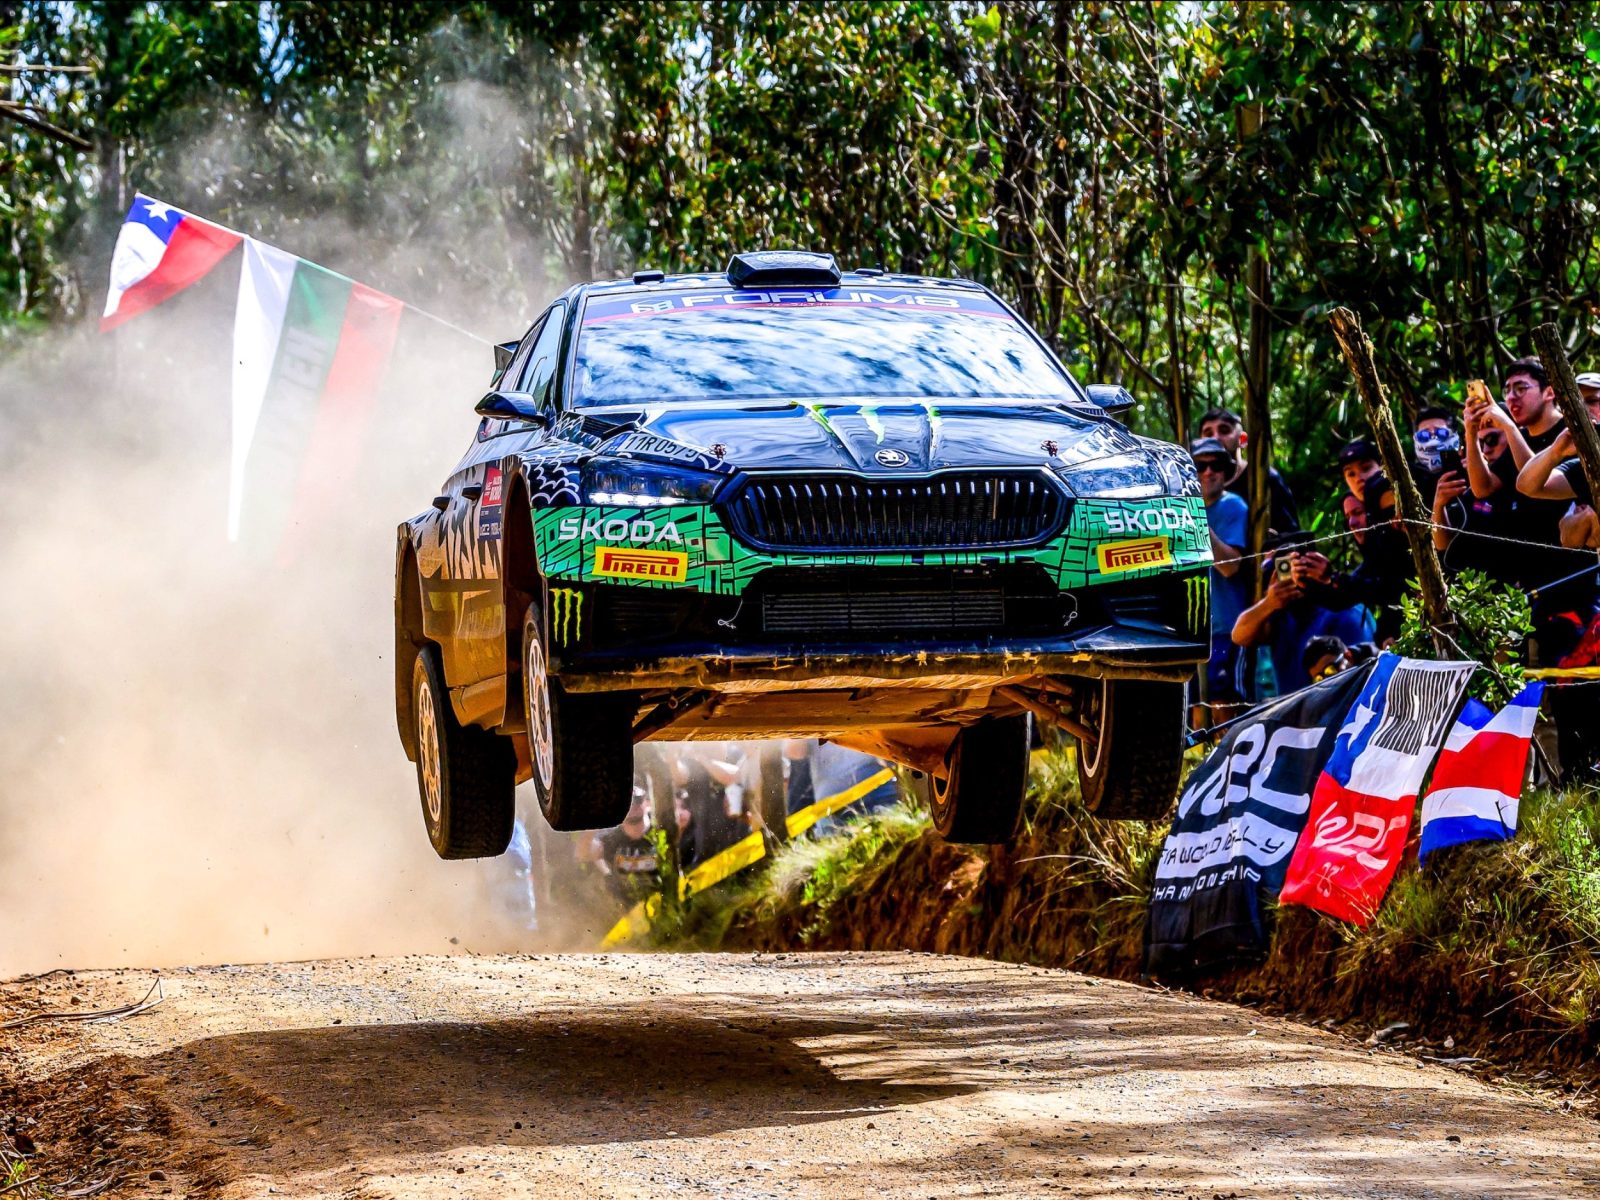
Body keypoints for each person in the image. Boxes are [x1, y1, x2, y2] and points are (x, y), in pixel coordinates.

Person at [1230, 538, 1375, 695]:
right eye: (1283, 570)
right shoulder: (1282, 618)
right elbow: (1239, 636)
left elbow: (1362, 673)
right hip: (1297, 709)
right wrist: (1268, 604)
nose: (1292, 579)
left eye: (1298, 568)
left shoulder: (1344, 612)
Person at [1324, 438, 1412, 643]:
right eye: (1350, 474)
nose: (1359, 479)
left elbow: (1393, 585)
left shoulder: (1399, 505)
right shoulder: (1371, 527)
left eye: (1366, 468)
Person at [1191, 437, 1250, 701]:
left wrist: (1197, 521)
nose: (1208, 472)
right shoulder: (1176, 508)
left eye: (1215, 465)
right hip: (1193, 630)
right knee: (1194, 709)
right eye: (1200, 466)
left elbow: (1230, 566)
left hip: (1227, 628)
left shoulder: (1233, 505)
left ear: (1225, 472)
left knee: (1223, 705)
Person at [1196, 406, 1300, 534]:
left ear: (1242, 440)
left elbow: (1293, 534)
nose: (1215, 438)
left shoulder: (1265, 478)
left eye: (1224, 431)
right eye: (1208, 434)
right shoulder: (1192, 485)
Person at [580, 798, 659, 905]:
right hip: (628, 905)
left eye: (637, 801)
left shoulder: (660, 829)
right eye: (627, 804)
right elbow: (584, 854)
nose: (632, 809)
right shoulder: (611, 839)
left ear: (647, 804)